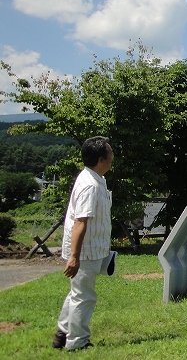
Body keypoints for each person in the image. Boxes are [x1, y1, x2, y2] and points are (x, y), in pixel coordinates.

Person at [52, 136, 115, 351]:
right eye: (110, 152)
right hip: (85, 252)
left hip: (91, 249)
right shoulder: (90, 185)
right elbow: (80, 221)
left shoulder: (96, 179)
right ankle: (77, 342)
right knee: (84, 296)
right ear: (101, 159)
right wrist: (74, 257)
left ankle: (62, 334)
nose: (113, 156)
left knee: (77, 293)